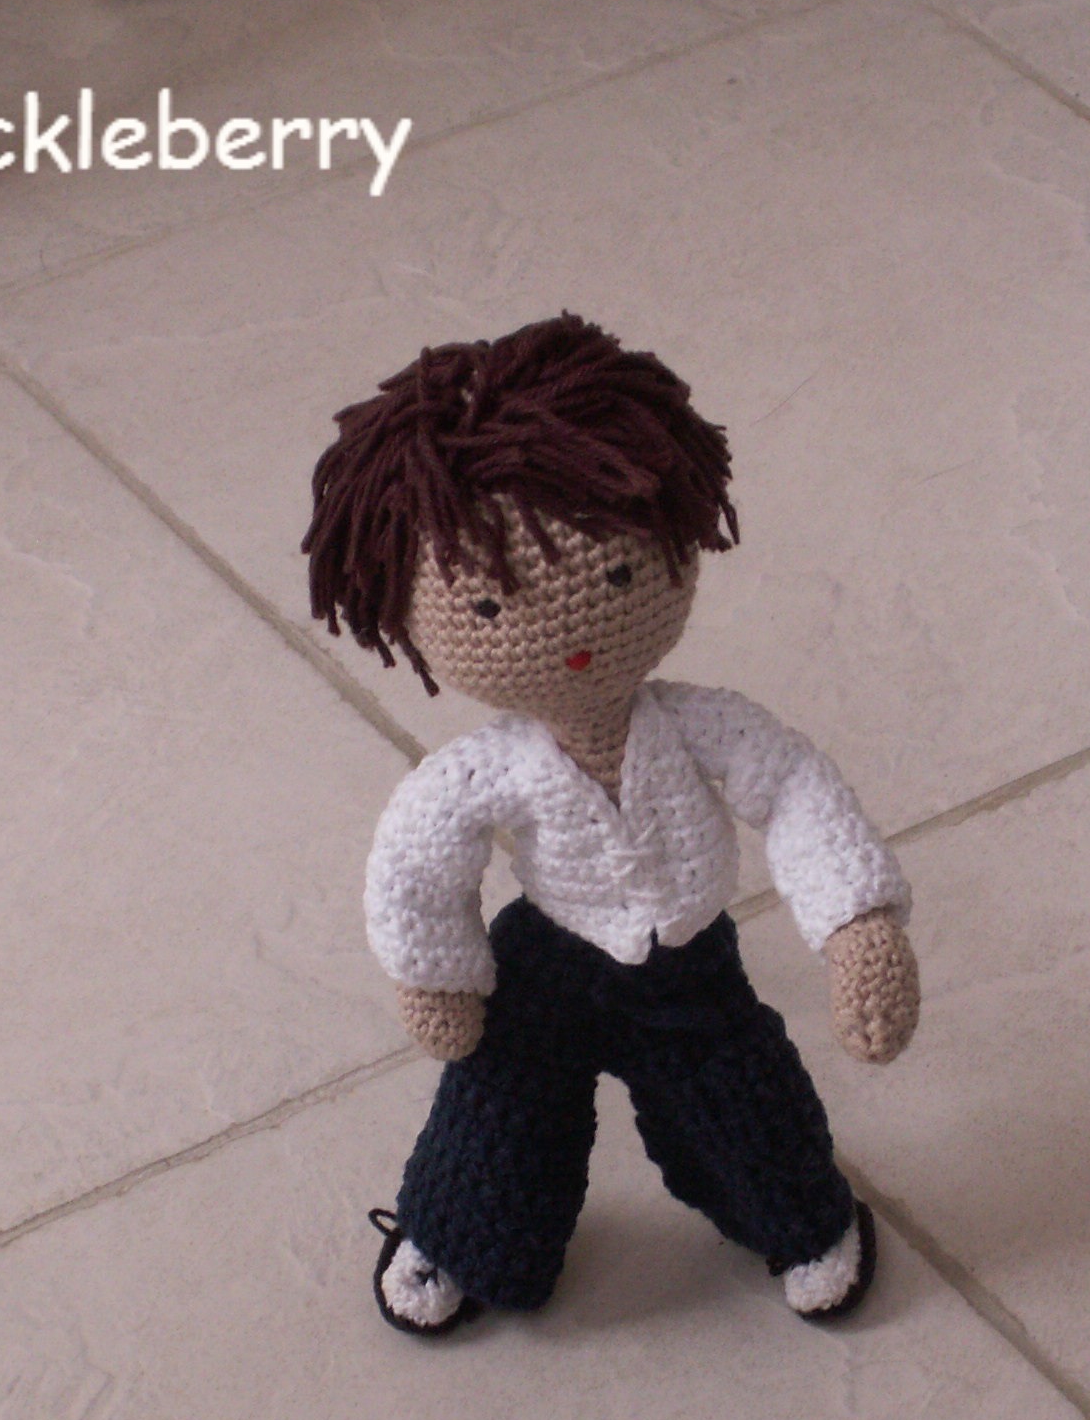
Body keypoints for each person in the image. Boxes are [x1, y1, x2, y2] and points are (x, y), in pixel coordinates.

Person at [304, 314, 921, 1336]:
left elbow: (793, 791)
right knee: (498, 1101)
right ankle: (459, 1234)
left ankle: (802, 1220)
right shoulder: (484, 772)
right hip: (546, 960)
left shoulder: (702, 726)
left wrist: (854, 921)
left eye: (620, 575)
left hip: (687, 962)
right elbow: (419, 861)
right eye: (489, 611)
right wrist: (438, 975)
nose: (576, 638)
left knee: (742, 1097)